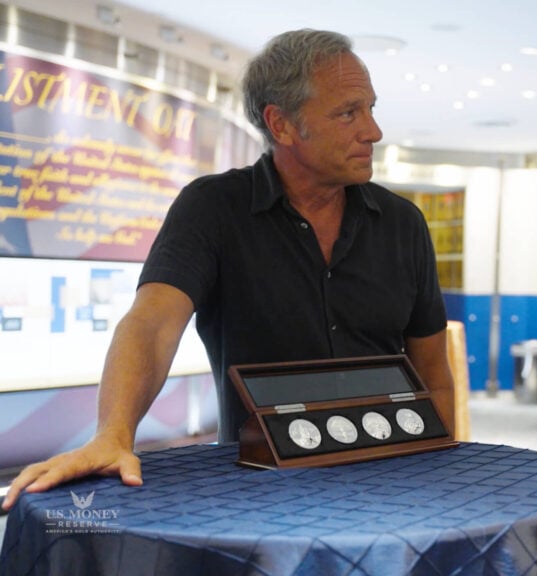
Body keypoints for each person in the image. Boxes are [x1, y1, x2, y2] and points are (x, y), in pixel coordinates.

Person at [2, 29, 454, 511]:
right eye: (348, 113)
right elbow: (153, 322)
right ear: (280, 125)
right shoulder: (213, 208)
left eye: (370, 108)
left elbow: (431, 370)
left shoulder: (403, 223)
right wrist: (113, 434)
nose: (373, 131)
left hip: (393, 487)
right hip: (255, 494)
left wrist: (443, 471)